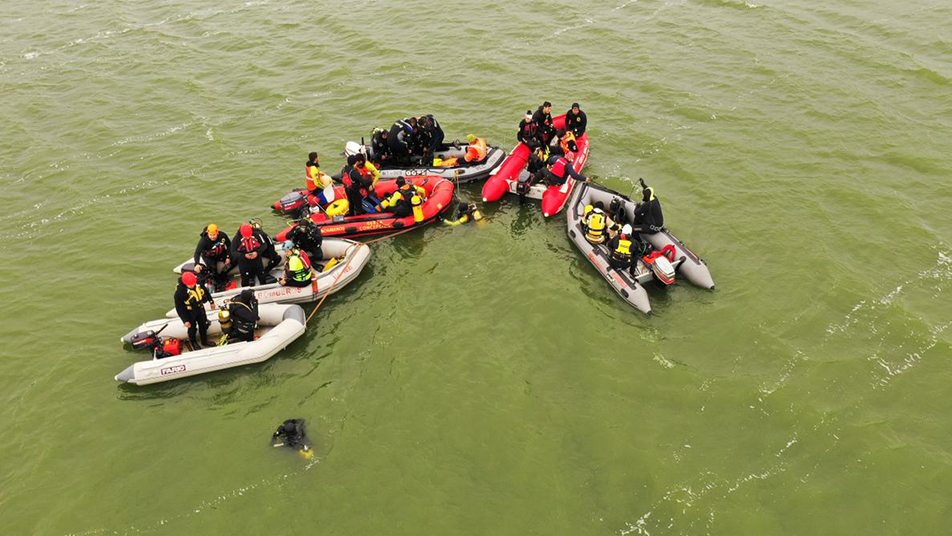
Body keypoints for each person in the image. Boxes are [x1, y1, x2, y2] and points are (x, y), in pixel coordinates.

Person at [174, 271, 212, 348]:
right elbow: (179, 308)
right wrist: (185, 320)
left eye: (193, 283)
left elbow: (206, 291)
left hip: (200, 309)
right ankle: (193, 342)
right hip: (189, 313)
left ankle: (204, 341)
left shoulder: (198, 283)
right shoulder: (180, 293)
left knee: (203, 325)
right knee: (192, 329)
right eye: (189, 284)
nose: (192, 286)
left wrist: (211, 301)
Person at [192, 223, 232, 290]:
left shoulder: (222, 235)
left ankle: (224, 274)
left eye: (214, 235)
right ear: (208, 233)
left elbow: (229, 245)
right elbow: (197, 253)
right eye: (211, 235)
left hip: (221, 253)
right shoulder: (203, 241)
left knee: (233, 260)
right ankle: (218, 283)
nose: (212, 237)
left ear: (217, 232)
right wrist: (196, 263)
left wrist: (228, 257)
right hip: (209, 256)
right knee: (213, 269)